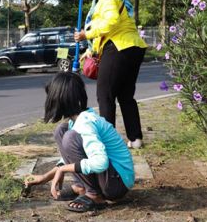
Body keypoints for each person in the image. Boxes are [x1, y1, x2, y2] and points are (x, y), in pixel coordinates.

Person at [25, 72, 134, 212]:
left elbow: (100, 162)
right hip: (111, 178)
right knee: (61, 131)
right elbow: (73, 156)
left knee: (70, 138)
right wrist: (45, 177)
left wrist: (63, 169)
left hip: (117, 184)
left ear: (58, 99)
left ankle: (94, 195)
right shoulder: (75, 121)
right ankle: (82, 187)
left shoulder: (85, 123)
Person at [73, 0, 147, 149]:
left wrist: (86, 34)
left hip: (119, 47)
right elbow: (109, 28)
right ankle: (135, 138)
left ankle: (108, 141)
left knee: (105, 94)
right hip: (133, 46)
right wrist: (90, 50)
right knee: (125, 95)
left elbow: (111, 21)